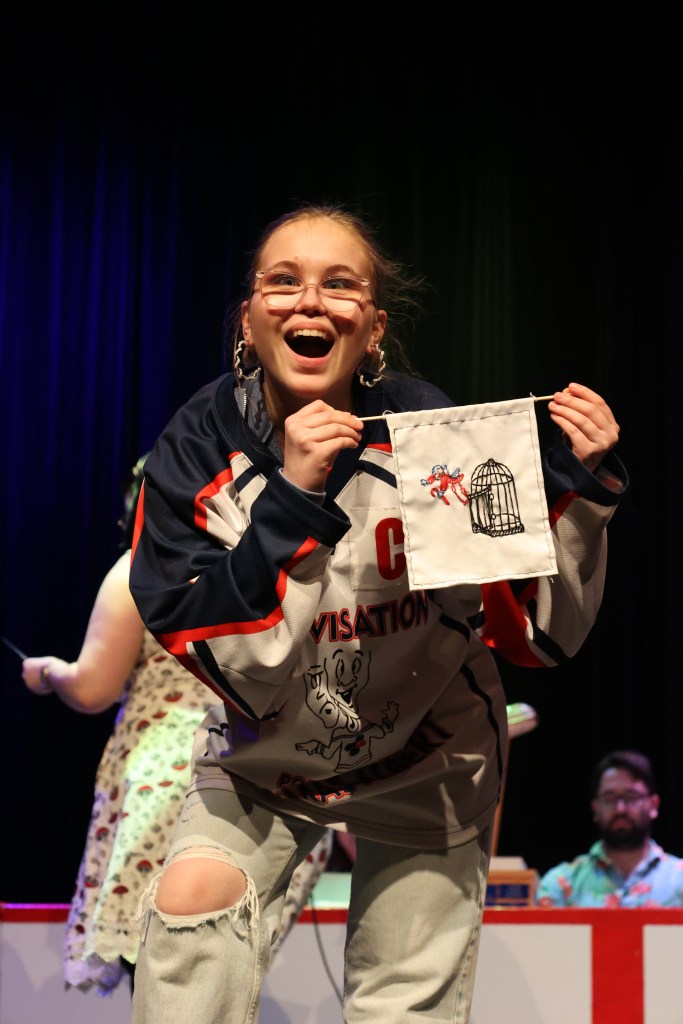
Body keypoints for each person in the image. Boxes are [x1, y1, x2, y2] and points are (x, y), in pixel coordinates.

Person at [127, 203, 626, 1024]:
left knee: (403, 1005)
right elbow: (240, 669)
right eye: (282, 282)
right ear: (247, 321)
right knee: (191, 910)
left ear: (373, 329)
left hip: (429, 756)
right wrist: (294, 496)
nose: (310, 302)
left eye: (340, 285)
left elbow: (535, 636)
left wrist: (578, 489)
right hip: (266, 760)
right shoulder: (194, 451)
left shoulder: (430, 431)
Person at [21, 454, 333, 997]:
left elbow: (93, 688)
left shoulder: (138, 570)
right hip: (263, 773)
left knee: (163, 969)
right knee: (222, 970)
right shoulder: (267, 565)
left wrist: (48, 673)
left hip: (168, 785)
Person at [536, 750, 683, 908]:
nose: (620, 809)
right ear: (595, 808)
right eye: (609, 799)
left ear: (653, 805)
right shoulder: (560, 884)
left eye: (631, 797)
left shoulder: (679, 879)